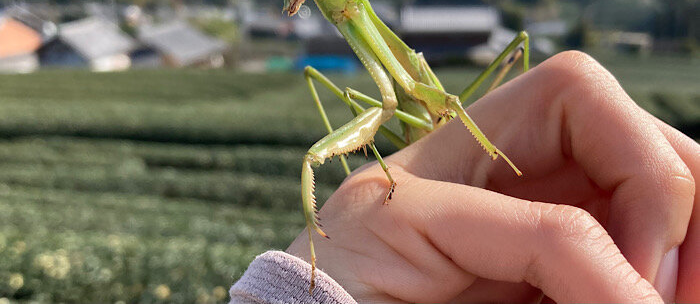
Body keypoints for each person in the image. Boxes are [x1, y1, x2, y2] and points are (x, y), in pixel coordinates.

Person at [230, 51, 699, 303]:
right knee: (337, 86)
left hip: (447, 122)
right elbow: (386, 105)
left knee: (507, 54)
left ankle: (498, 156)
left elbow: (427, 101)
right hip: (420, 174)